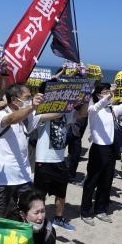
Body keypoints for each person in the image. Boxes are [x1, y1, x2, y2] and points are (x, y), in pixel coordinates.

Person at [0, 84, 62, 219]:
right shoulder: (0, 114)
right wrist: (32, 106)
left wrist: (72, 103)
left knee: (26, 213)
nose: (30, 99)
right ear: (15, 100)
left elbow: (54, 114)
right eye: (27, 97)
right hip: (1, 178)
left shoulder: (29, 117)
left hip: (23, 176)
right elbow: (11, 119)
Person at [80, 82, 122, 225]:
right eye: (104, 92)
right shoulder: (93, 109)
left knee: (106, 182)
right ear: (98, 94)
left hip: (111, 149)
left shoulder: (111, 109)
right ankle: (85, 212)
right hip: (98, 149)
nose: (106, 94)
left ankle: (101, 210)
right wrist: (110, 94)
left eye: (107, 91)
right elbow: (99, 105)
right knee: (92, 181)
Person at [32, 81, 83, 230]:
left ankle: (59, 218)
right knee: (39, 195)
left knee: (61, 193)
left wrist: (83, 101)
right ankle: (37, 220)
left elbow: (81, 114)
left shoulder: (65, 112)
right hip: (44, 160)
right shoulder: (39, 112)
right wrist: (70, 104)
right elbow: (58, 113)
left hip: (60, 160)